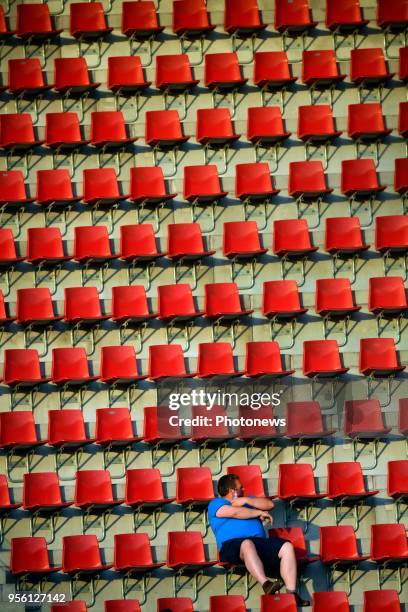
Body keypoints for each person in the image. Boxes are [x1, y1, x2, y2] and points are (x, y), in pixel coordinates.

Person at [208, 473, 310, 606]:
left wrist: (247, 501)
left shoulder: (248, 500)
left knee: (287, 546)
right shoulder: (216, 503)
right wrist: (258, 513)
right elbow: (235, 512)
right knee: (247, 543)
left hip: (258, 543)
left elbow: (269, 504)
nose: (243, 489)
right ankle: (266, 584)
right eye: (240, 487)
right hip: (231, 545)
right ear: (232, 491)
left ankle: (292, 594)